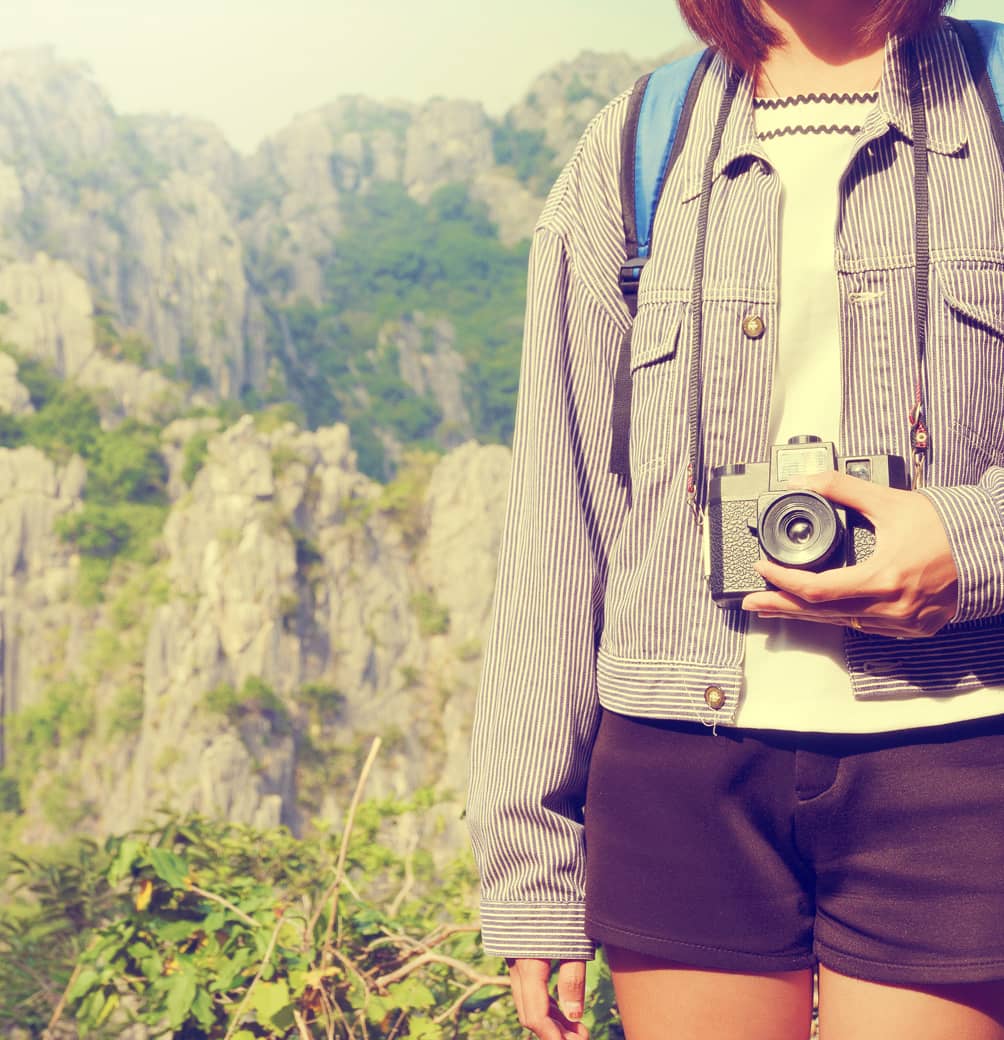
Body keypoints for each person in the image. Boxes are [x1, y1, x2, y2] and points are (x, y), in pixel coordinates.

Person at [467, 0, 1004, 1037]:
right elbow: (558, 511)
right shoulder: (634, 145)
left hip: (954, 748)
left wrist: (971, 543)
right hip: (678, 763)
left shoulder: (989, 103)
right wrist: (529, 862)